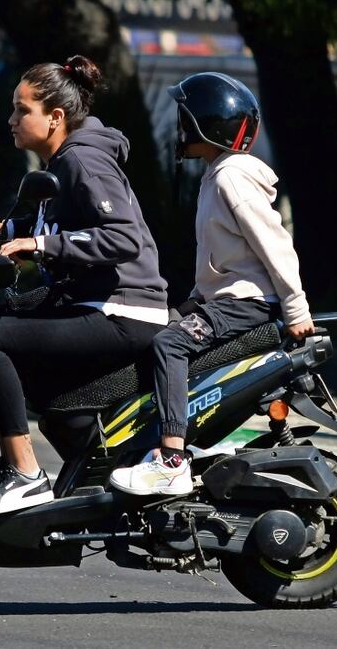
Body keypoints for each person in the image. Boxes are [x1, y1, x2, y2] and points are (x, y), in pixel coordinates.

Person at [0, 55, 169, 515]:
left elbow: (122, 237)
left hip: (123, 311)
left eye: (22, 110)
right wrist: (0, 231)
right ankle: (92, 471)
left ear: (55, 117)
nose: (11, 119)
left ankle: (23, 472)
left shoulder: (81, 160)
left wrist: (40, 246)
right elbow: (59, 224)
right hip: (94, 301)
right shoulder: (62, 162)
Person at [109, 72, 314, 496]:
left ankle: (171, 459)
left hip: (248, 304)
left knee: (170, 345)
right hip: (227, 300)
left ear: (209, 125)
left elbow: (275, 244)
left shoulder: (230, 178)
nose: (180, 128)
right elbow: (222, 258)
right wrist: (191, 303)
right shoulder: (216, 174)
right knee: (157, 329)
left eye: (186, 120)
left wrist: (296, 308)